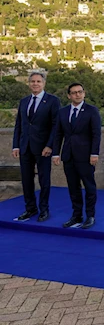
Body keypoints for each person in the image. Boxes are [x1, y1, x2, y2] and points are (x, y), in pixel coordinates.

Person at [12, 71, 60, 222]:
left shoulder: (53, 101)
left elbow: (56, 126)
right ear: (28, 83)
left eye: (38, 81)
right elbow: (19, 125)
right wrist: (15, 146)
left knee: (44, 180)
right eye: (32, 81)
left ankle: (44, 210)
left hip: (43, 148)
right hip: (25, 147)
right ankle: (30, 209)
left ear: (44, 83)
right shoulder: (24, 101)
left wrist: (50, 146)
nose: (35, 84)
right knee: (26, 180)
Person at [52, 83, 102, 229]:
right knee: (73, 187)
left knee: (89, 186)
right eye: (74, 93)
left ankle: (90, 216)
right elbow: (58, 134)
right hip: (68, 156)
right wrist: (56, 153)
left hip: (86, 156)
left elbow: (96, 134)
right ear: (69, 95)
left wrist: (94, 153)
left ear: (84, 93)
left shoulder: (92, 111)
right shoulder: (63, 112)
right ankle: (76, 215)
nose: (77, 95)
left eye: (80, 92)